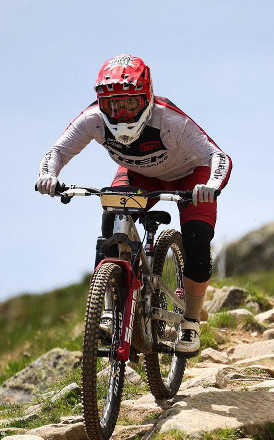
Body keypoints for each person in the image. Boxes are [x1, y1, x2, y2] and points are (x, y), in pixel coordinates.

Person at [35, 54, 232, 356]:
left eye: (130, 103)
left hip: (192, 175)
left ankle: (191, 320)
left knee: (197, 237)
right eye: (114, 105)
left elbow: (218, 157)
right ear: (101, 104)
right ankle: (111, 308)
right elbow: (58, 150)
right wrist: (48, 175)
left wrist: (211, 187)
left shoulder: (170, 121)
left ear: (147, 98)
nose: (123, 113)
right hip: (139, 175)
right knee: (112, 215)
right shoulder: (92, 120)